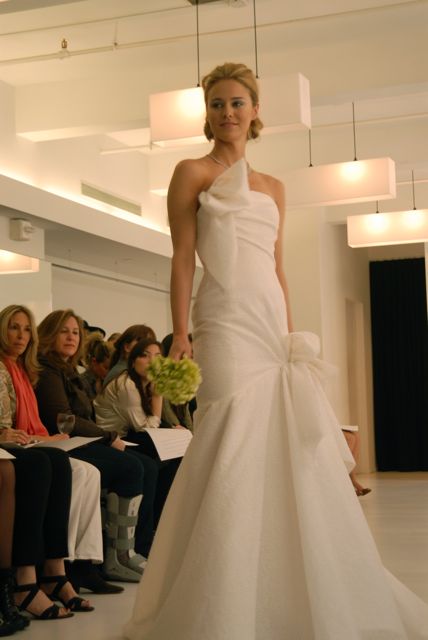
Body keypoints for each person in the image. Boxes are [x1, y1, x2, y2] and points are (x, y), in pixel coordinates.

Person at [124, 62, 428, 639]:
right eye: (217, 104)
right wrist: (181, 333)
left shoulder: (274, 188)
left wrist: (288, 335)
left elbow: (277, 268)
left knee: (283, 437)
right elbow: (183, 256)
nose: (227, 112)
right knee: (231, 430)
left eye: (237, 102)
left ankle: (290, 585)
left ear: (255, 111)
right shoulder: (191, 172)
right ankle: (221, 593)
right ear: (207, 113)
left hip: (266, 318)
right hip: (221, 317)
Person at [36, 309, 157, 574]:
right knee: (131, 467)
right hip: (63, 443)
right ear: (49, 334)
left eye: (75, 332)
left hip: (81, 439)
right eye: (64, 331)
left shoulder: (68, 370)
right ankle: (118, 555)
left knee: (147, 465)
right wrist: (108, 436)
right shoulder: (48, 370)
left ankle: (134, 548)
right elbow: (63, 419)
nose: (71, 337)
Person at [94, 339, 182, 528]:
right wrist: (158, 395)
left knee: (177, 452)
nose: (152, 361)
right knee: (157, 460)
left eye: (157, 356)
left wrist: (174, 429)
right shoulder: (127, 384)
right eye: (145, 355)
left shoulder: (145, 383)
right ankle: (147, 528)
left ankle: (161, 522)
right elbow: (145, 426)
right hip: (111, 439)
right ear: (133, 361)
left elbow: (153, 422)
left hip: (131, 434)